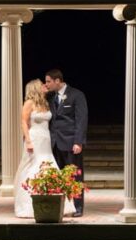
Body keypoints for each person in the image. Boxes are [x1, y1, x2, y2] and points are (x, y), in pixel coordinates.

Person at [13, 79, 76, 219]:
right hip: (34, 139)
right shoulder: (29, 103)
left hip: (46, 140)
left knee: (48, 166)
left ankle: (58, 203)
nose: (44, 86)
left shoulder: (45, 103)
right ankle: (27, 206)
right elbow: (23, 121)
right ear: (35, 88)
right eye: (42, 84)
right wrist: (28, 141)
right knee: (32, 168)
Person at [44, 69, 87, 217]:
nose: (46, 84)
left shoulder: (77, 95)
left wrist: (78, 142)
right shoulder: (50, 97)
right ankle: (63, 206)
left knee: (75, 176)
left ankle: (78, 206)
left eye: (48, 81)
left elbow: (81, 120)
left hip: (70, 143)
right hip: (55, 143)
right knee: (58, 176)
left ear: (58, 81)